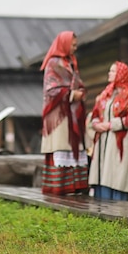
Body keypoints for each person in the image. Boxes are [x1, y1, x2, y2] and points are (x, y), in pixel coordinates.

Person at [87, 61, 128, 201]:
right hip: (105, 139)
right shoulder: (107, 93)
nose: (109, 74)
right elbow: (96, 112)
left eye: (112, 71)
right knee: (105, 171)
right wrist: (96, 123)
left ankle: (121, 203)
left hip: (124, 139)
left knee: (119, 172)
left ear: (121, 74)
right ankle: (102, 201)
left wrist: (112, 125)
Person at [39, 31, 88, 195]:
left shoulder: (72, 61)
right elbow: (51, 90)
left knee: (73, 147)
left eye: (76, 45)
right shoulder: (53, 63)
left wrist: (81, 90)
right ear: (65, 44)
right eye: (73, 45)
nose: (75, 48)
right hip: (58, 114)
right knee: (61, 146)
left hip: (73, 112)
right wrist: (71, 94)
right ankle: (59, 187)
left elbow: (77, 82)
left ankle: (76, 186)